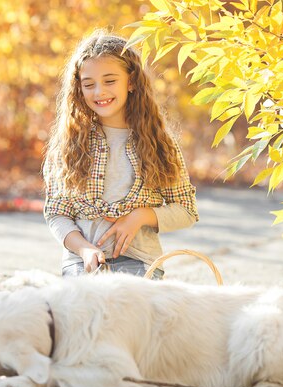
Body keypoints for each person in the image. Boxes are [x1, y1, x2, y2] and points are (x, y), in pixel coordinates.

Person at [42, 30, 198, 278]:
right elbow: (57, 212)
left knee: (127, 310)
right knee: (82, 311)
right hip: (81, 262)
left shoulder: (159, 143)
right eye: (89, 84)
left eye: (110, 81)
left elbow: (187, 211)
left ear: (132, 81)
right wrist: (84, 250)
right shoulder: (69, 143)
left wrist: (140, 216)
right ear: (78, 89)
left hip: (140, 261)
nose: (99, 92)